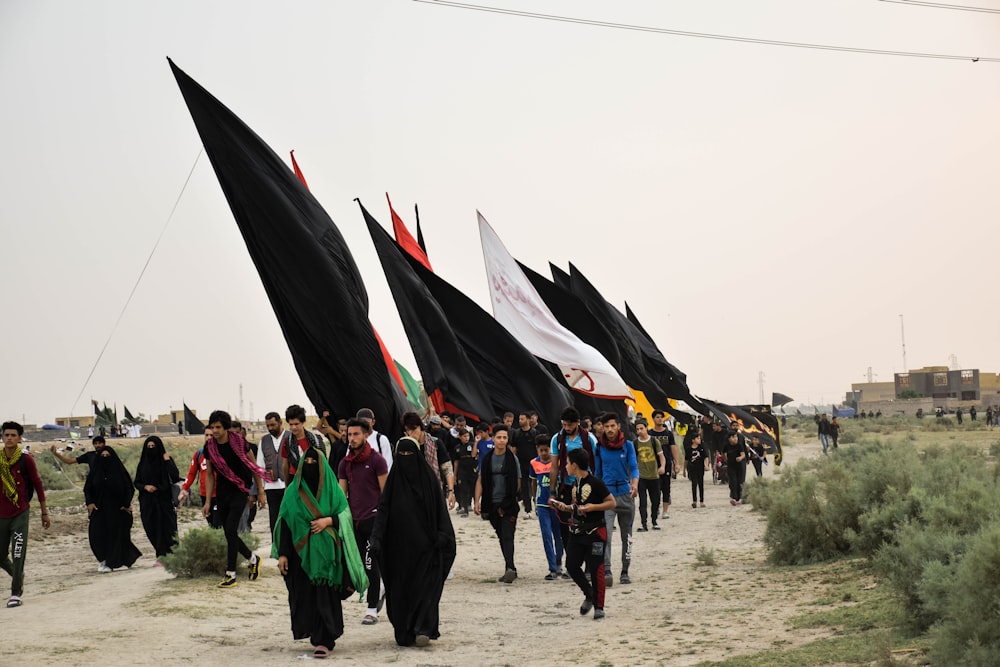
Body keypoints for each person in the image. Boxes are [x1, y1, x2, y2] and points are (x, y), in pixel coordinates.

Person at [273, 445, 368, 659]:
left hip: (327, 558)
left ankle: (325, 639)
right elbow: (286, 524)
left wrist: (328, 521)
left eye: (313, 463)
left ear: (322, 467)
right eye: (305, 463)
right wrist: (283, 554)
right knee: (306, 596)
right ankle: (315, 636)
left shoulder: (333, 490)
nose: (309, 467)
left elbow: (345, 515)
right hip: (300, 557)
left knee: (325, 596)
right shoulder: (292, 493)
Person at [371, 436, 456, 647]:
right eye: (403, 455)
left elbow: (440, 511)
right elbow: (383, 511)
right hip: (398, 550)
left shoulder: (428, 481)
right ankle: (405, 629)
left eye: (410, 454)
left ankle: (423, 629)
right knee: (400, 591)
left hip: (426, 548)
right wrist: (377, 538)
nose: (406, 459)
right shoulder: (393, 484)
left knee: (425, 588)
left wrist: (442, 536)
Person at [548, 448, 615, 621]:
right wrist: (564, 507)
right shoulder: (575, 485)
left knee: (596, 569)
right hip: (577, 532)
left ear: (575, 465)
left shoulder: (596, 483)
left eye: (568, 463)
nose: (566, 466)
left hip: (595, 533)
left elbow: (611, 502)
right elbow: (577, 507)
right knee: (571, 565)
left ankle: (599, 607)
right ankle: (589, 594)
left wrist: (593, 507)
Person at [203, 410, 267, 588]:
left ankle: (230, 574)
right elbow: (209, 475)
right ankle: (253, 559)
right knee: (228, 533)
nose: (215, 431)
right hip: (222, 493)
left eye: (218, 427)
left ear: (225, 427)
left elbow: (254, 467)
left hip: (240, 490)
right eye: (212, 427)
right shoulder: (210, 447)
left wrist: (260, 491)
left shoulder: (239, 442)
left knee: (231, 530)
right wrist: (208, 501)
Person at [338, 418, 389, 626]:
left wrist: (384, 522)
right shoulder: (345, 463)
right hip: (354, 523)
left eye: (356, 434)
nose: (352, 438)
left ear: (366, 435)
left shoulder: (377, 461)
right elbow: (342, 496)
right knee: (354, 564)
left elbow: (385, 494)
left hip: (374, 520)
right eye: (349, 435)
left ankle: (371, 609)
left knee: (370, 564)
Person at [0, 421, 49, 608]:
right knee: (0, 555)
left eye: (13, 435)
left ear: (20, 438)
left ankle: (15, 592)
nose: (9, 438)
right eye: (6, 435)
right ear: (2, 437)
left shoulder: (26, 459)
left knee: (18, 552)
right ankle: (18, 574)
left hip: (20, 511)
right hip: (1, 513)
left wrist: (44, 512)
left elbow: (37, 484)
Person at [549, 406, 598, 567]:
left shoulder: (589, 438)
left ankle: (589, 564)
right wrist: (552, 491)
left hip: (586, 487)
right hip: (566, 485)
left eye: (570, 425)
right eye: (564, 425)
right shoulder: (557, 439)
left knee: (587, 525)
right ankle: (573, 561)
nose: (567, 428)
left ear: (578, 423)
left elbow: (597, 463)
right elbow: (554, 466)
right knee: (565, 527)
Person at [594, 413, 639, 586]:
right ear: (602, 428)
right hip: (607, 498)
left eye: (613, 426)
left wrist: (634, 484)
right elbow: (597, 473)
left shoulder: (627, 446)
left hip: (626, 496)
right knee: (605, 537)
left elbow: (634, 468)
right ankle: (606, 570)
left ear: (618, 426)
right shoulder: (599, 448)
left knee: (626, 536)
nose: (610, 429)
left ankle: (625, 571)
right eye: (607, 427)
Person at [474, 425, 520, 583]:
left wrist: (509, 501)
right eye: (499, 437)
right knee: (501, 536)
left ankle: (510, 568)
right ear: (493, 439)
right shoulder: (487, 459)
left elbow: (517, 481)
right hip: (490, 503)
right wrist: (477, 501)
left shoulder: (512, 459)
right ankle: (510, 566)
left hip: (508, 504)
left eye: (504, 438)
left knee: (508, 535)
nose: (501, 441)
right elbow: (480, 480)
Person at [85, 445, 141, 573]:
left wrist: (125, 504)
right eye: (103, 456)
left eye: (107, 456)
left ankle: (110, 562)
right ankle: (104, 559)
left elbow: (129, 488)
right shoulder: (95, 472)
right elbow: (87, 488)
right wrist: (90, 503)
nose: (105, 458)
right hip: (99, 509)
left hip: (117, 510)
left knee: (114, 536)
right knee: (96, 535)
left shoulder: (119, 471)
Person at [133, 436, 180, 561]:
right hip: (148, 502)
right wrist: (145, 487)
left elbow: (175, 477)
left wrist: (167, 461)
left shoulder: (166, 461)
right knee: (152, 527)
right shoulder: (143, 463)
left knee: (168, 528)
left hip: (164, 500)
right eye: (148, 447)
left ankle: (172, 556)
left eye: (153, 447)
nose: (151, 449)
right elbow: (137, 482)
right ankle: (160, 554)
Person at [401, 412, 456, 509]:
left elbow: (447, 468)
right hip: (412, 493)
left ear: (420, 427)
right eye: (408, 430)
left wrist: (451, 491)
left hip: (434, 491)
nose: (411, 433)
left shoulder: (435, 443)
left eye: (413, 429)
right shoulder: (405, 446)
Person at [529, 435, 565, 580]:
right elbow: (532, 483)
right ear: (537, 450)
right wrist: (534, 500)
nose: (544, 453)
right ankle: (552, 568)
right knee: (546, 536)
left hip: (556, 505)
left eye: (546, 450)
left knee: (559, 535)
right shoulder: (533, 463)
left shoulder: (558, 463)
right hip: (542, 505)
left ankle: (558, 562)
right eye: (541, 450)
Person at [178, 427, 217, 526]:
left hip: (219, 494)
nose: (208, 438)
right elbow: (191, 473)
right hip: (204, 494)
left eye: (211, 435)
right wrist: (184, 488)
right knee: (211, 524)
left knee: (219, 523)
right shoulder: (199, 453)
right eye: (206, 435)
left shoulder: (221, 453)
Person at [256, 411, 288, 534]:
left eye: (273, 425)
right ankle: (276, 549)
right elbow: (260, 466)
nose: (270, 428)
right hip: (271, 487)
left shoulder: (290, 437)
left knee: (289, 520)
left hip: (288, 486)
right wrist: (261, 491)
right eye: (268, 426)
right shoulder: (264, 441)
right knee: (274, 521)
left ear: (280, 423)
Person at [632, 420, 665, 532]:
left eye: (641, 428)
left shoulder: (654, 441)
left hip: (654, 476)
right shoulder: (635, 443)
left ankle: (654, 521)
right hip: (641, 477)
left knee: (655, 500)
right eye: (637, 429)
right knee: (643, 501)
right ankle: (644, 524)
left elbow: (661, 456)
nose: (640, 431)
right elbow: (632, 461)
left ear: (646, 428)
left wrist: (662, 467)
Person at [648, 411, 680, 520]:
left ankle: (665, 511)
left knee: (666, 487)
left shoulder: (668, 433)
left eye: (661, 417)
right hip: (653, 465)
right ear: (653, 419)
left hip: (666, 464)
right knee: (654, 488)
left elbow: (673, 448)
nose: (660, 419)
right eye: (657, 417)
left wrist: (677, 463)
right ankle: (655, 507)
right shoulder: (650, 434)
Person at [509, 411, 538, 518]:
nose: (520, 421)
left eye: (522, 419)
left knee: (535, 485)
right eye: (519, 419)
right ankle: (528, 510)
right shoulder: (516, 433)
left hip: (534, 464)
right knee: (524, 487)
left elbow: (538, 448)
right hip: (521, 463)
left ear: (528, 420)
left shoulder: (535, 433)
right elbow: (513, 448)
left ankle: (537, 506)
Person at [452, 429, 477, 516]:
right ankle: (465, 509)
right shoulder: (457, 448)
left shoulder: (472, 445)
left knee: (474, 489)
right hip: (462, 470)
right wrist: (454, 475)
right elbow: (456, 461)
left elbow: (474, 455)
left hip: (472, 469)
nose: (466, 438)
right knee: (463, 490)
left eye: (468, 436)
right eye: (464, 436)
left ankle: (476, 506)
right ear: (460, 437)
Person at [684, 431, 709, 508]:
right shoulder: (688, 449)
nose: (699, 440)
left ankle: (701, 501)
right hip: (692, 468)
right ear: (693, 440)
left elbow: (706, 457)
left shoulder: (701, 448)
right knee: (694, 484)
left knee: (701, 484)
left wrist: (706, 465)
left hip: (700, 468)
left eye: (699, 438)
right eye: (697, 438)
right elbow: (686, 460)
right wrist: (684, 470)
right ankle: (694, 501)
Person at [724, 430, 747, 506]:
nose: (735, 438)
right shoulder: (726, 445)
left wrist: (740, 458)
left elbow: (743, 454)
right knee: (732, 482)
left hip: (739, 466)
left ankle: (739, 498)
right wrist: (726, 459)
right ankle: (733, 498)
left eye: (736, 437)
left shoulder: (739, 445)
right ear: (729, 438)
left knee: (739, 482)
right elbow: (724, 454)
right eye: (733, 437)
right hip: (731, 466)